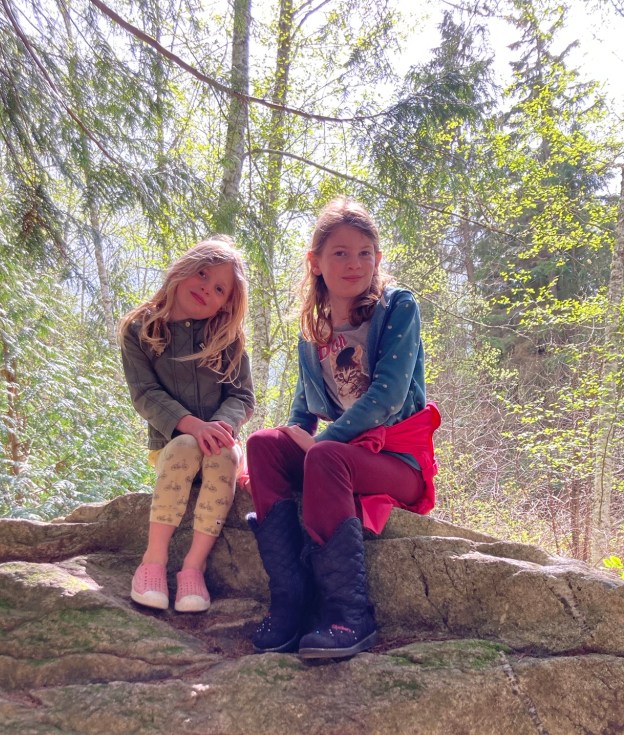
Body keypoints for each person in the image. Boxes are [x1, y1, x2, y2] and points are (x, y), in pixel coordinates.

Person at [245, 197, 439, 659]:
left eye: (364, 253)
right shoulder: (314, 327)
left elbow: (388, 396)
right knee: (264, 444)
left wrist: (320, 443)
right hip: (341, 457)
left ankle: (350, 615)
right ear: (315, 262)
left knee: (325, 455)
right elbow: (304, 405)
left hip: (397, 460)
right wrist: (295, 436)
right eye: (340, 253)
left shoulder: (397, 307)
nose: (354, 263)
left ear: (378, 259)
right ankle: (290, 603)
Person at [119, 236, 254, 614]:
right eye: (203, 274)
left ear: (226, 303)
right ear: (183, 269)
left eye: (220, 289)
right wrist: (192, 426)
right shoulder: (140, 329)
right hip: (171, 446)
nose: (207, 288)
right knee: (183, 447)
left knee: (225, 454)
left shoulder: (227, 340)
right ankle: (153, 562)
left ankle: (193, 567)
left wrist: (220, 426)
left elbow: (242, 397)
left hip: (219, 448)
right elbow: (145, 393)